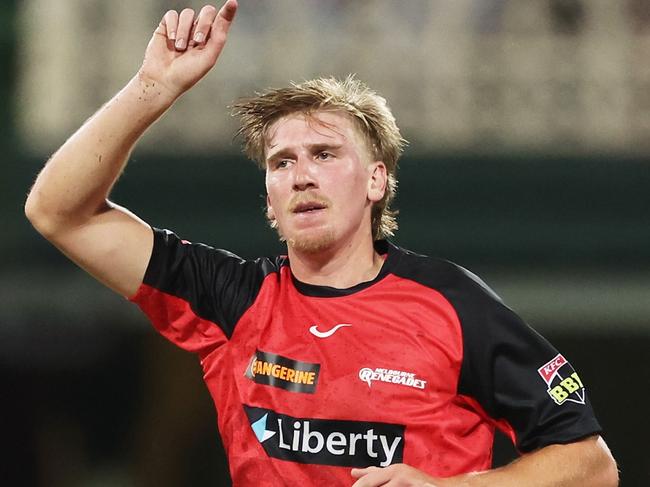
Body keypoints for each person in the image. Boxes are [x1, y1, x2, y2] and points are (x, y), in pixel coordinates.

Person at [25, 1, 619, 486]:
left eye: (325, 154)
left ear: (377, 179)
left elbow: (591, 465)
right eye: (281, 162)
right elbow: (58, 212)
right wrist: (153, 86)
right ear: (268, 199)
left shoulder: (454, 303)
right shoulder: (230, 299)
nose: (301, 174)